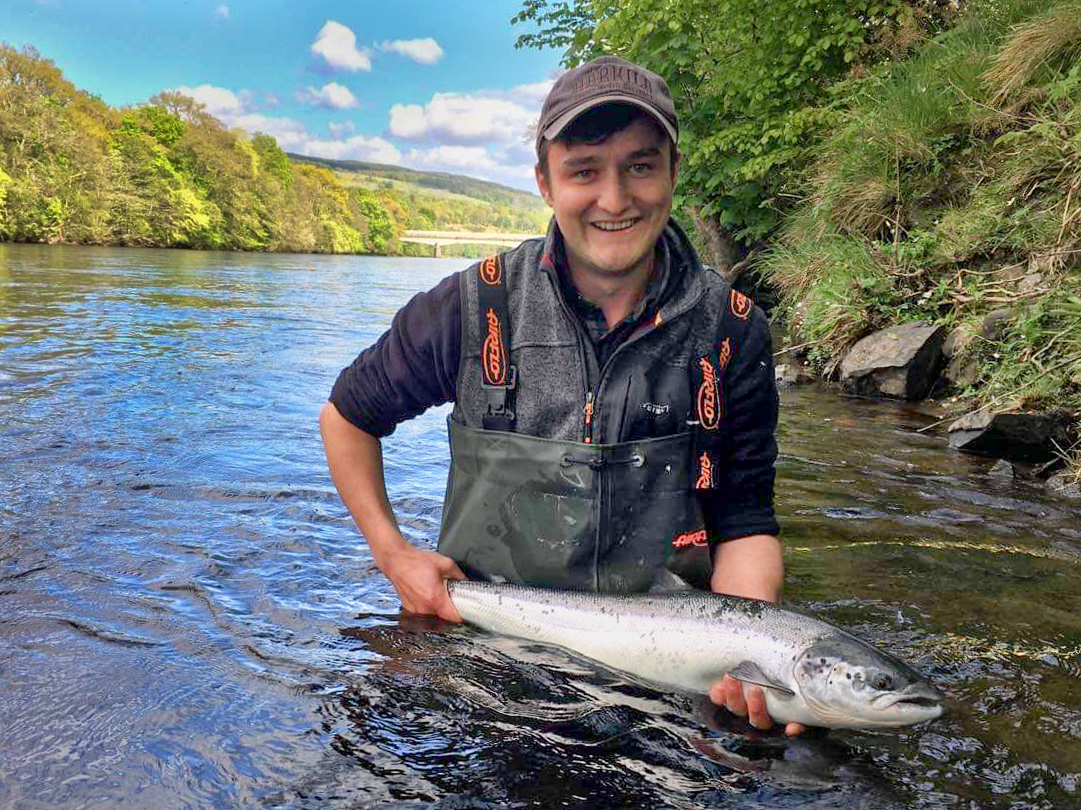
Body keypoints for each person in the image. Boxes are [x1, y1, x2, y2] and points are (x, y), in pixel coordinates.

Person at [320, 55, 801, 735]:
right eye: (584, 171)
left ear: (672, 171)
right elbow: (347, 417)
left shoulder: (733, 332)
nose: (614, 199)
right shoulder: (471, 306)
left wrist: (749, 657)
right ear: (544, 183)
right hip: (476, 648)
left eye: (639, 165)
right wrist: (393, 555)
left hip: (663, 675)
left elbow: (744, 520)